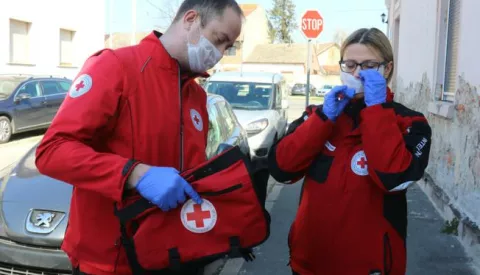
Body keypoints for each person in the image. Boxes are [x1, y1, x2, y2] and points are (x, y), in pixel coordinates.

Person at [35, 1, 243, 275]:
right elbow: (52, 151)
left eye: (227, 47)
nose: (219, 54)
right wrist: (135, 175)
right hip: (111, 262)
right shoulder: (116, 66)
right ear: (191, 19)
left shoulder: (197, 96)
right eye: (219, 40)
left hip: (172, 256)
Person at [268, 28, 432, 275]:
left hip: (371, 266)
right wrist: (323, 118)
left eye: (368, 65)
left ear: (386, 69)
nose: (357, 73)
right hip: (310, 262)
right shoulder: (318, 116)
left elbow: (394, 178)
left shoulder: (410, 122)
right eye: (350, 64)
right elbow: (281, 169)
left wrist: (376, 110)